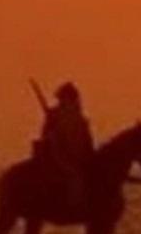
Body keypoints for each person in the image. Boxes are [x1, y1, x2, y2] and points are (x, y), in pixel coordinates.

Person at [34, 82, 95, 213]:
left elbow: (87, 139)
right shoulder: (54, 115)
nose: (69, 100)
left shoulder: (80, 118)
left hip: (80, 156)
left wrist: (90, 155)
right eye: (66, 97)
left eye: (71, 97)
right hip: (60, 156)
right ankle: (75, 206)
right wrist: (53, 133)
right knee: (74, 177)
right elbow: (46, 135)